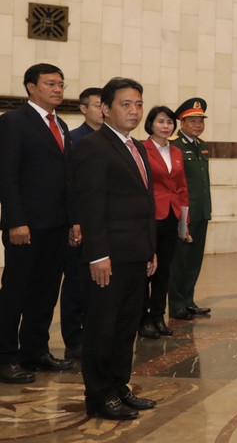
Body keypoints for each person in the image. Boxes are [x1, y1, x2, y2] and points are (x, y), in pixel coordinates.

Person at [73, 77, 158, 420]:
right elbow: (90, 206)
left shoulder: (136, 147)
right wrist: (97, 254)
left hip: (136, 254)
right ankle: (98, 396)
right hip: (108, 257)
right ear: (105, 109)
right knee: (102, 328)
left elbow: (145, 202)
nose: (134, 111)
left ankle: (119, 386)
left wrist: (150, 249)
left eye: (138, 104)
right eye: (126, 104)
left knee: (125, 327)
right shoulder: (93, 146)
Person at [0, 63, 77, 384]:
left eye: (61, 84)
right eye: (50, 84)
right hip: (26, 226)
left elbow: (68, 179)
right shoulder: (13, 122)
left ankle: (36, 350)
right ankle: (5, 357)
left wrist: (74, 221)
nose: (58, 89)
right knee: (15, 291)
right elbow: (7, 175)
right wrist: (15, 221)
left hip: (57, 225)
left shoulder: (60, 124)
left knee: (46, 291)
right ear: (31, 87)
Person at [59, 86, 104, 361]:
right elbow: (70, 185)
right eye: (97, 105)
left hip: (104, 223)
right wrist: (75, 220)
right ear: (83, 108)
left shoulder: (114, 140)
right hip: (80, 223)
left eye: (104, 105)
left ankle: (94, 333)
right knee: (76, 281)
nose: (102, 110)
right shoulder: (73, 139)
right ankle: (73, 338)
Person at [140, 106, 190, 338]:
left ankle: (158, 316)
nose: (166, 126)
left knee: (164, 270)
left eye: (169, 122)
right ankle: (143, 319)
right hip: (149, 217)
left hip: (171, 217)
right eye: (161, 121)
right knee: (146, 270)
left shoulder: (177, 152)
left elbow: (181, 188)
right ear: (150, 124)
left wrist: (184, 223)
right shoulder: (141, 149)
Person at [168, 98, 213, 320]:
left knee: (194, 259)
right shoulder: (174, 145)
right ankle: (176, 304)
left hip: (201, 211)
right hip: (184, 214)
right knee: (180, 260)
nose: (197, 125)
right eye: (192, 120)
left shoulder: (202, 146)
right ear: (182, 122)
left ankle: (188, 300)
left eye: (200, 121)